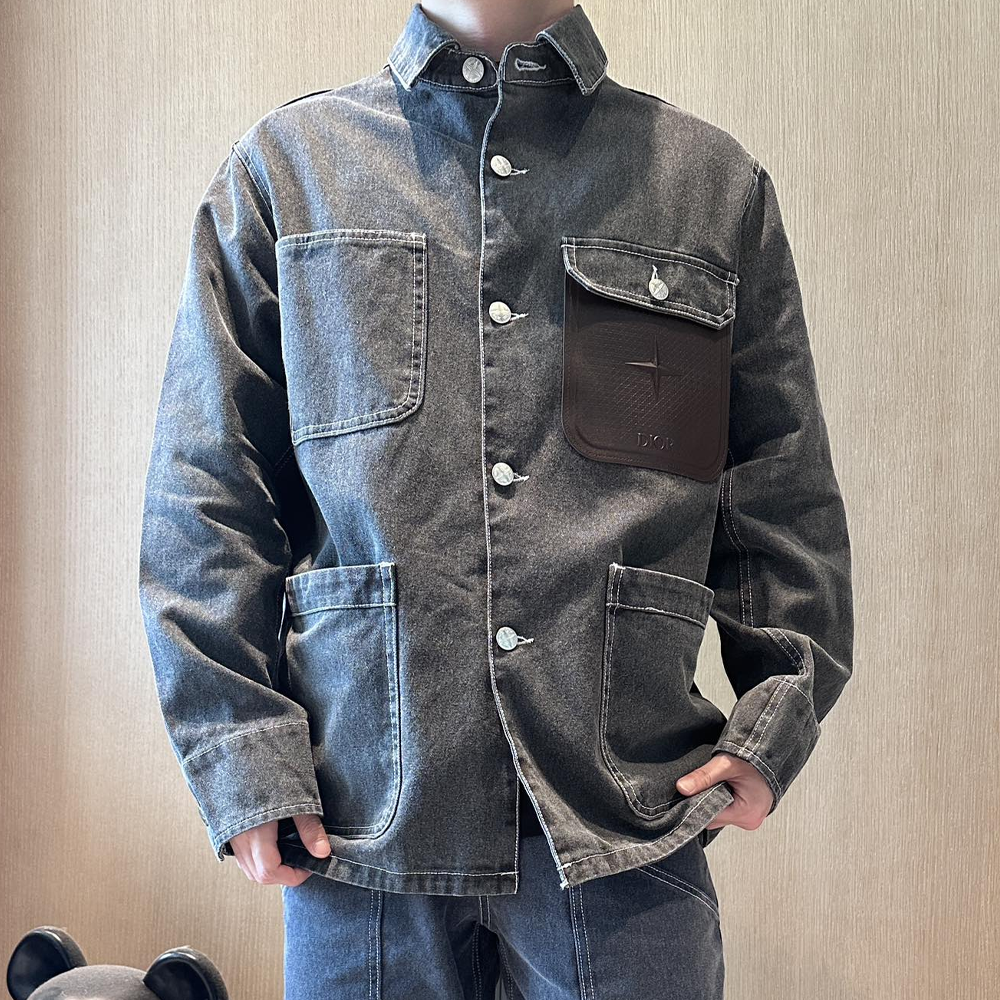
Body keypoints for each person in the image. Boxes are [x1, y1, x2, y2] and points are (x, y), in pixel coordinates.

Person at [137, 2, 855, 996]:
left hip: (623, 823)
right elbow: (207, 489)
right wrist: (241, 753)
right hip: (361, 828)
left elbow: (780, 482)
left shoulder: (707, 187)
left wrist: (776, 717)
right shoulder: (287, 174)